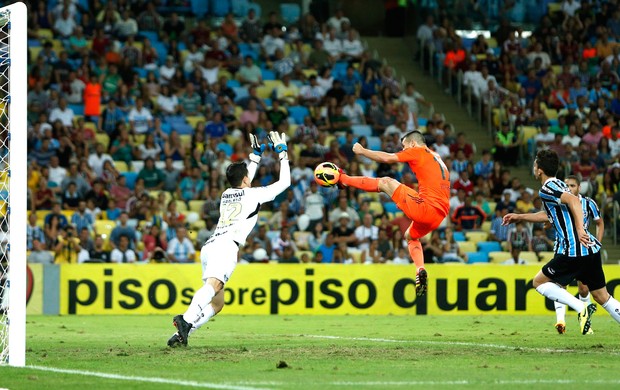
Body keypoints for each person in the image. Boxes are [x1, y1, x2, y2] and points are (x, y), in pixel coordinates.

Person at [168, 131, 290, 347]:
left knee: (217, 304)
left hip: (210, 246)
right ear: (246, 179)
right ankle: (185, 320)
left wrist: (255, 157)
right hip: (225, 248)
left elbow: (244, 180)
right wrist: (282, 153)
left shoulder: (226, 193)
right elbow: (285, 182)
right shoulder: (254, 194)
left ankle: (182, 335)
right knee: (214, 286)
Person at [503, 150, 620, 335]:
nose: (534, 168)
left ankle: (580, 308)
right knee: (602, 296)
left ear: (539, 170)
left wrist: (580, 229)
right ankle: (582, 308)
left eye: (534, 165)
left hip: (573, 251)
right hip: (590, 250)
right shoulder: (559, 185)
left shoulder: (548, 187)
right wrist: (520, 216)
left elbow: (573, 201)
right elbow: (549, 214)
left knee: (539, 283)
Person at [336, 130, 450, 296]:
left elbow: (387, 158)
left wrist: (362, 151)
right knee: (411, 236)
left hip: (426, 208)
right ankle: (420, 270)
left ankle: (343, 180)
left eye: (404, 147)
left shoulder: (417, 151)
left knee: (386, 182)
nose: (404, 151)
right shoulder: (437, 157)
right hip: (439, 215)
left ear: (412, 143)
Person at [552, 175, 605, 334]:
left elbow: (599, 223)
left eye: (573, 185)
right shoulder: (558, 202)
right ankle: (560, 321)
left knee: (583, 289)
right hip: (562, 248)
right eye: (566, 185)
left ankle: (585, 322)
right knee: (559, 285)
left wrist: (598, 244)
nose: (569, 188)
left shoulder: (588, 203)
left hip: (582, 249)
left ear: (579, 188)